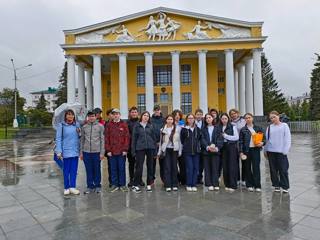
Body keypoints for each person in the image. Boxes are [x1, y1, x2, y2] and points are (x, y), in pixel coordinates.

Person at [264, 111, 291, 193]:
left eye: (274, 117)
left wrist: (285, 150)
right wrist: (265, 150)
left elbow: (288, 139)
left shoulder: (284, 126)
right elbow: (267, 140)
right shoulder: (269, 127)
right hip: (271, 152)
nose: (272, 119)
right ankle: (276, 185)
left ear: (278, 116)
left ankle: (285, 186)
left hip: (281, 152)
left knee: (283, 169)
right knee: (273, 170)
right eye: (271, 118)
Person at [55, 109, 81, 196]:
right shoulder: (61, 125)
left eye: (72, 115)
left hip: (75, 151)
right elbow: (58, 139)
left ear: (74, 116)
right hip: (66, 151)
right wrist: (59, 151)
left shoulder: (77, 125)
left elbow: (80, 138)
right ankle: (66, 187)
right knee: (66, 170)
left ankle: (72, 187)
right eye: (68, 115)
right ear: (65, 116)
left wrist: (79, 133)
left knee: (74, 170)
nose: (70, 116)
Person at [131, 111, 157, 193]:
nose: (146, 117)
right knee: (139, 167)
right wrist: (133, 151)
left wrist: (155, 151)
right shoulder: (137, 126)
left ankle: (149, 184)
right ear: (141, 116)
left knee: (150, 166)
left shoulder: (151, 126)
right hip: (140, 148)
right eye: (145, 115)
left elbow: (154, 139)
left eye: (148, 116)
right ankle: (135, 184)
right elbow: (134, 139)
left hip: (150, 148)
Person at [239, 113, 265, 192]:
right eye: (246, 118)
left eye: (249, 117)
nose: (248, 119)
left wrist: (262, 143)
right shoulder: (243, 129)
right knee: (247, 168)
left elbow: (264, 138)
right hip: (246, 151)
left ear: (252, 118)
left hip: (255, 150)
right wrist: (241, 152)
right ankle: (249, 184)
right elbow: (240, 142)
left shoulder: (258, 128)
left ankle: (257, 185)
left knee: (256, 168)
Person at [105, 109, 130, 192]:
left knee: (121, 168)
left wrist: (125, 149)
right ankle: (114, 184)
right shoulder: (109, 125)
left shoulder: (124, 124)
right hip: (112, 151)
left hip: (121, 151)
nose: (116, 115)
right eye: (114, 114)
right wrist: (108, 150)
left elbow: (127, 138)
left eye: (117, 114)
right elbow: (106, 138)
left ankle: (122, 185)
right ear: (112, 115)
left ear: (120, 115)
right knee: (113, 168)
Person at [80, 111, 105, 194]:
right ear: (88, 117)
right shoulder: (84, 127)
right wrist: (81, 152)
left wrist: (102, 153)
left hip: (97, 152)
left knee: (97, 169)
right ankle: (90, 186)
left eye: (93, 116)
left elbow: (102, 140)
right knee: (88, 169)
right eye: (90, 116)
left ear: (96, 117)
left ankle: (98, 185)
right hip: (86, 152)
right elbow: (82, 140)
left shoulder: (100, 126)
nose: (91, 118)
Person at [157, 114, 182, 192]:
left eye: (171, 119)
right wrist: (159, 151)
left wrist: (180, 150)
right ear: (166, 120)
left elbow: (179, 141)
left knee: (174, 167)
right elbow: (161, 142)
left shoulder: (178, 129)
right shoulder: (162, 130)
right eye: (168, 119)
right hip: (166, 150)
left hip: (174, 150)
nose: (170, 121)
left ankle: (174, 184)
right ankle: (168, 184)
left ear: (173, 120)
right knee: (167, 167)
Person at [201, 114, 224, 191]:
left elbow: (220, 138)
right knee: (207, 168)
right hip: (206, 151)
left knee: (215, 167)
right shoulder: (203, 129)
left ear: (212, 118)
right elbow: (202, 139)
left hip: (215, 151)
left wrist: (217, 147)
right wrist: (207, 147)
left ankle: (215, 183)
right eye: (206, 118)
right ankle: (209, 184)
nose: (208, 119)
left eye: (209, 117)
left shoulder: (217, 128)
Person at [180, 113, 201, 192]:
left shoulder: (197, 129)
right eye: (189, 118)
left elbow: (199, 138)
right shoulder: (184, 129)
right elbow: (182, 140)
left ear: (194, 119)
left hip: (196, 152)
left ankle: (194, 184)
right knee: (189, 168)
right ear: (187, 120)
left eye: (192, 118)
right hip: (187, 152)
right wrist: (185, 146)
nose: (191, 119)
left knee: (196, 168)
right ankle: (188, 184)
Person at [220, 113, 239, 192]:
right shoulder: (219, 127)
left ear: (228, 119)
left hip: (231, 147)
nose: (224, 120)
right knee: (225, 166)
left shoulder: (232, 126)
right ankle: (227, 184)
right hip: (223, 147)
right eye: (222, 119)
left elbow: (236, 137)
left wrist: (226, 136)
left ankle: (233, 185)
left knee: (232, 166)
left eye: (225, 118)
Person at [229, 109, 246, 187]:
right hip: (234, 144)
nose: (233, 115)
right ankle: (237, 179)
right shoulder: (230, 123)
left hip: (243, 143)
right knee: (235, 163)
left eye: (234, 113)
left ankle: (244, 179)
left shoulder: (243, 120)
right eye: (231, 114)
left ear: (238, 113)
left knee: (244, 162)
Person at [126, 106, 140, 187]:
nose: (134, 113)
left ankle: (139, 179)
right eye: (132, 112)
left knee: (139, 164)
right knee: (131, 164)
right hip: (130, 147)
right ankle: (131, 179)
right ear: (130, 113)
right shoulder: (127, 123)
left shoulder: (140, 122)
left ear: (137, 113)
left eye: (135, 112)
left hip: (139, 147)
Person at [151, 105, 165, 182]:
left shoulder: (163, 120)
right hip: (153, 144)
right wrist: (154, 142)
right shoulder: (150, 120)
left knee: (162, 163)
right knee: (152, 163)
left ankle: (163, 179)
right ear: (153, 111)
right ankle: (151, 179)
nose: (157, 111)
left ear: (160, 111)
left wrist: (161, 141)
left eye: (158, 110)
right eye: (155, 110)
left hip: (161, 144)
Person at [172, 109, 185, 185]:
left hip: (182, 145)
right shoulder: (171, 124)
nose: (177, 117)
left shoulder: (182, 123)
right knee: (174, 164)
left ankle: (182, 179)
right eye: (176, 115)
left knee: (182, 164)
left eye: (178, 115)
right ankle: (175, 179)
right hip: (174, 146)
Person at [195, 108, 205, 185]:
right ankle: (195, 178)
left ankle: (200, 178)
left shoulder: (205, 123)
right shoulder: (192, 122)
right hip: (195, 145)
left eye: (200, 114)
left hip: (203, 145)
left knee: (201, 163)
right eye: (198, 114)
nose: (199, 116)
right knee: (196, 162)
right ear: (195, 115)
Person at [104, 108, 114, 188]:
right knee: (110, 166)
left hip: (118, 149)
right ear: (108, 115)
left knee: (118, 166)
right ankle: (111, 181)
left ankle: (118, 181)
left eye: (114, 113)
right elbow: (105, 138)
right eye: (111, 113)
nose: (113, 115)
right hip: (109, 149)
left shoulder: (119, 123)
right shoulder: (105, 124)